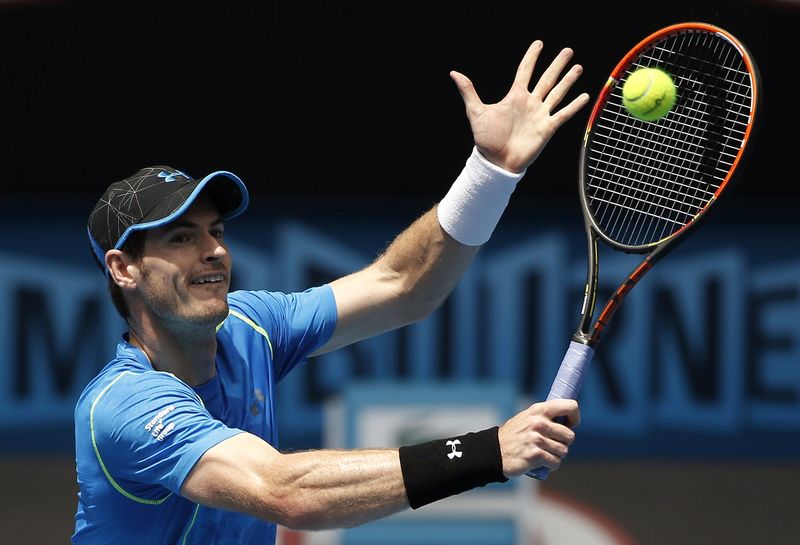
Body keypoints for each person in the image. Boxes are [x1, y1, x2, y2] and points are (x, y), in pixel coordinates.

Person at [73, 40, 589, 544]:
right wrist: (488, 450)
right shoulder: (125, 406)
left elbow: (402, 285)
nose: (214, 251)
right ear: (124, 269)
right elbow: (286, 492)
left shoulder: (250, 326)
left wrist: (490, 172)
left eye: (216, 232)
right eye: (182, 238)